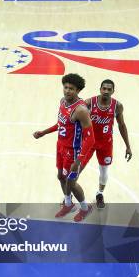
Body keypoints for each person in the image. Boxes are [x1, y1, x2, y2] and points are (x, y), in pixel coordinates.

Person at [33, 73, 95, 223]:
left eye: (71, 89)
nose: (67, 91)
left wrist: (79, 160)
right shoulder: (62, 102)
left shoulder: (81, 110)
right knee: (60, 176)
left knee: (71, 183)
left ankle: (85, 208)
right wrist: (43, 132)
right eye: (65, 87)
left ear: (78, 91)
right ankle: (68, 204)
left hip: (73, 152)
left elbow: (91, 138)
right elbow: (61, 124)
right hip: (60, 146)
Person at [83, 79, 132, 209]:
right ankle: (69, 194)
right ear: (100, 89)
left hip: (106, 144)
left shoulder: (117, 106)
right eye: (104, 88)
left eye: (109, 89)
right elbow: (77, 121)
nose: (106, 91)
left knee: (104, 171)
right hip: (89, 142)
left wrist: (128, 146)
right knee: (76, 168)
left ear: (113, 91)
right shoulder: (89, 103)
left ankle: (99, 194)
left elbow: (122, 125)